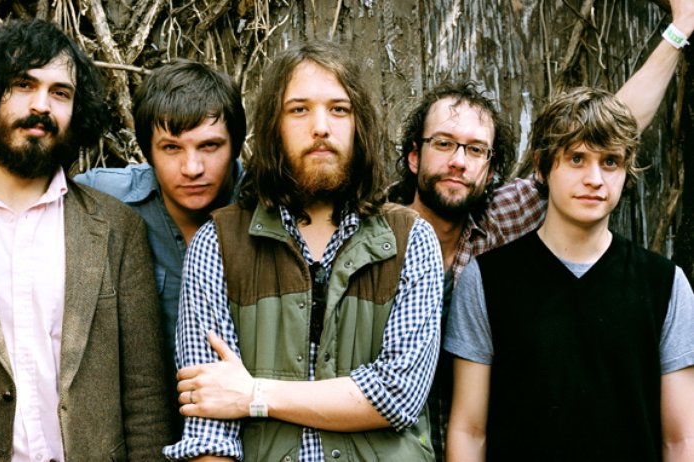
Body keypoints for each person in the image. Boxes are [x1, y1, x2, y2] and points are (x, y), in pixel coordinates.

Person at [392, 1, 694, 456]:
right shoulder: (377, 238)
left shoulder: (506, 213)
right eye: (444, 144)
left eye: (475, 150)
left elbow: (606, 133)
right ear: (414, 156)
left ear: (492, 168)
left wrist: (680, 28)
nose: (458, 161)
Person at [162, 40, 442, 461]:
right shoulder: (217, 244)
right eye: (299, 110)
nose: (321, 127)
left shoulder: (410, 240)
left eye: (339, 109)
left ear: (360, 125)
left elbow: (397, 394)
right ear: (273, 126)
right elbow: (209, 427)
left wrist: (254, 395)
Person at [0, 19, 172, 460]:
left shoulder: (117, 228)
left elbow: (145, 394)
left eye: (60, 92)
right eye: (23, 84)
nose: (41, 105)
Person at [444, 87, 694, 461]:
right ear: (542, 166)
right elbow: (469, 430)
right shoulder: (486, 280)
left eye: (610, 162)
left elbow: (681, 440)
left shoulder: (665, 285)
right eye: (576, 159)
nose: (594, 178)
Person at [75, 59, 246, 435]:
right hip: (141, 432)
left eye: (209, 146)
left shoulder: (268, 210)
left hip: (246, 430)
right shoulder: (103, 199)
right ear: (148, 152)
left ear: (235, 145)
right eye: (171, 148)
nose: (192, 167)